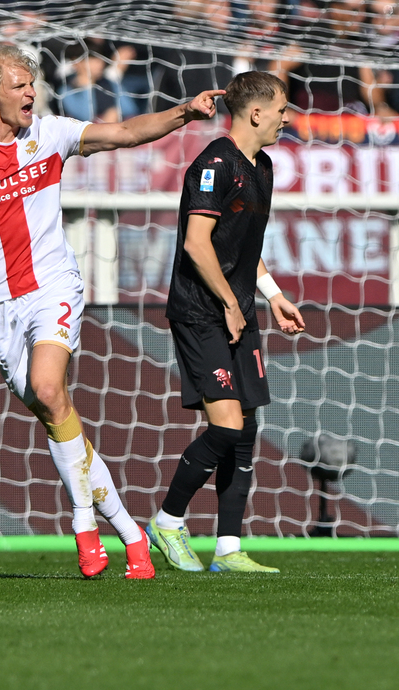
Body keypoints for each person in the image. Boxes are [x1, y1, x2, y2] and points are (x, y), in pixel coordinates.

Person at [0, 44, 220, 579]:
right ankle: (132, 534)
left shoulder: (51, 133)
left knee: (50, 388)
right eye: (19, 86)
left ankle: (83, 523)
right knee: (59, 417)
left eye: (31, 85)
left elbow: (125, 134)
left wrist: (184, 111)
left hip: (54, 287)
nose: (31, 93)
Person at [145, 71, 305, 573]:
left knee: (247, 426)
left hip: (239, 309)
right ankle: (168, 522)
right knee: (227, 424)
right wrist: (229, 303)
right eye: (281, 108)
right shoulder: (215, 163)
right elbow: (197, 244)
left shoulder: (265, 166)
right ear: (256, 113)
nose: (287, 117)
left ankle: (229, 549)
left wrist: (273, 295)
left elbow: (241, 248)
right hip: (201, 312)